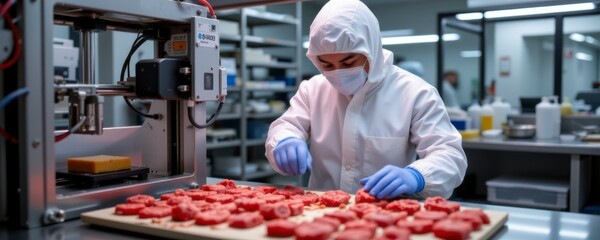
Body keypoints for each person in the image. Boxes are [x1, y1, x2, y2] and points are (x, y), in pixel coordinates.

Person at [264, 0, 467, 199]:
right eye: (327, 65)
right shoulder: (313, 89)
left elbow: (449, 155)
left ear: (371, 50)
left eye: (348, 62)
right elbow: (285, 127)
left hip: (387, 217)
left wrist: (417, 176)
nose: (338, 72)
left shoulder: (415, 93)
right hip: (321, 212)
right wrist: (284, 140)